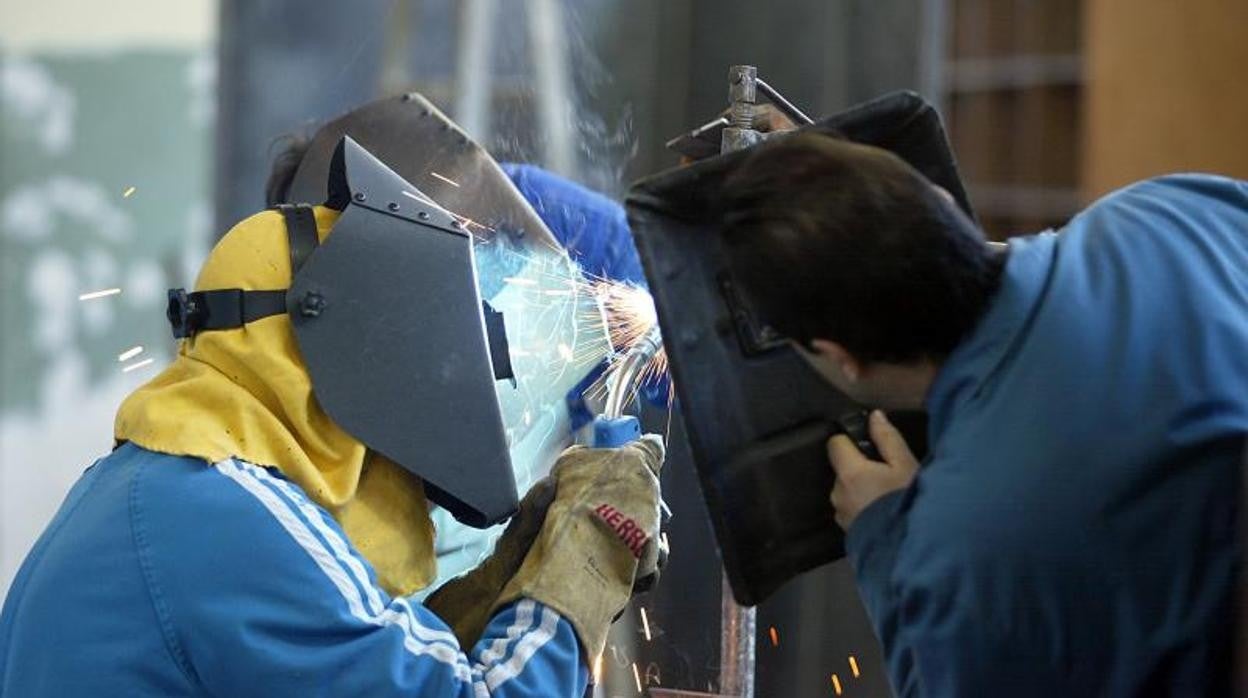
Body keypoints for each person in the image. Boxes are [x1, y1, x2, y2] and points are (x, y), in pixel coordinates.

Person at [0, 137, 666, 696]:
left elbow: (363, 655)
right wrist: (586, 551)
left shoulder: (145, 484)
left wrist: (512, 572)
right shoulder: (233, 519)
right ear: (340, 347)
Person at [718, 132, 1248, 695]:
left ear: (839, 358)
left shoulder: (964, 545)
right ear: (943, 205)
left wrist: (887, 537)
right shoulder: (1170, 211)